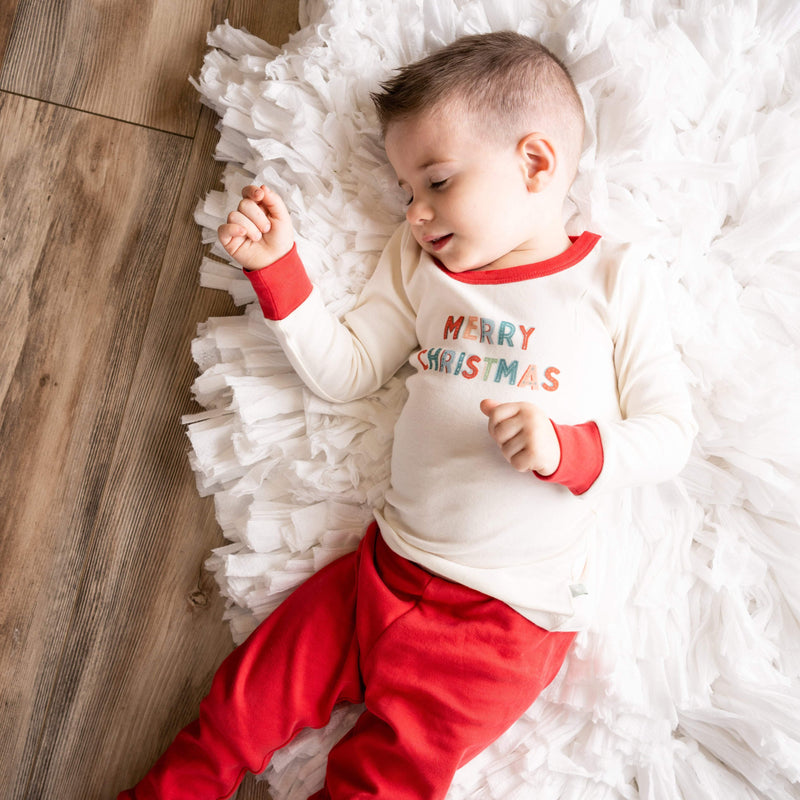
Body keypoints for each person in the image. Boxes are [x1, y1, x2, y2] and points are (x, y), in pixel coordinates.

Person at [120, 31, 695, 800]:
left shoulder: (612, 278)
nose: (418, 212)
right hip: (381, 570)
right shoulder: (421, 265)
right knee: (240, 704)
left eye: (438, 182)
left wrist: (568, 451)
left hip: (501, 622)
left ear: (536, 163)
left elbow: (669, 435)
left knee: (384, 781)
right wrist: (278, 270)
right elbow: (347, 370)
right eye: (406, 192)